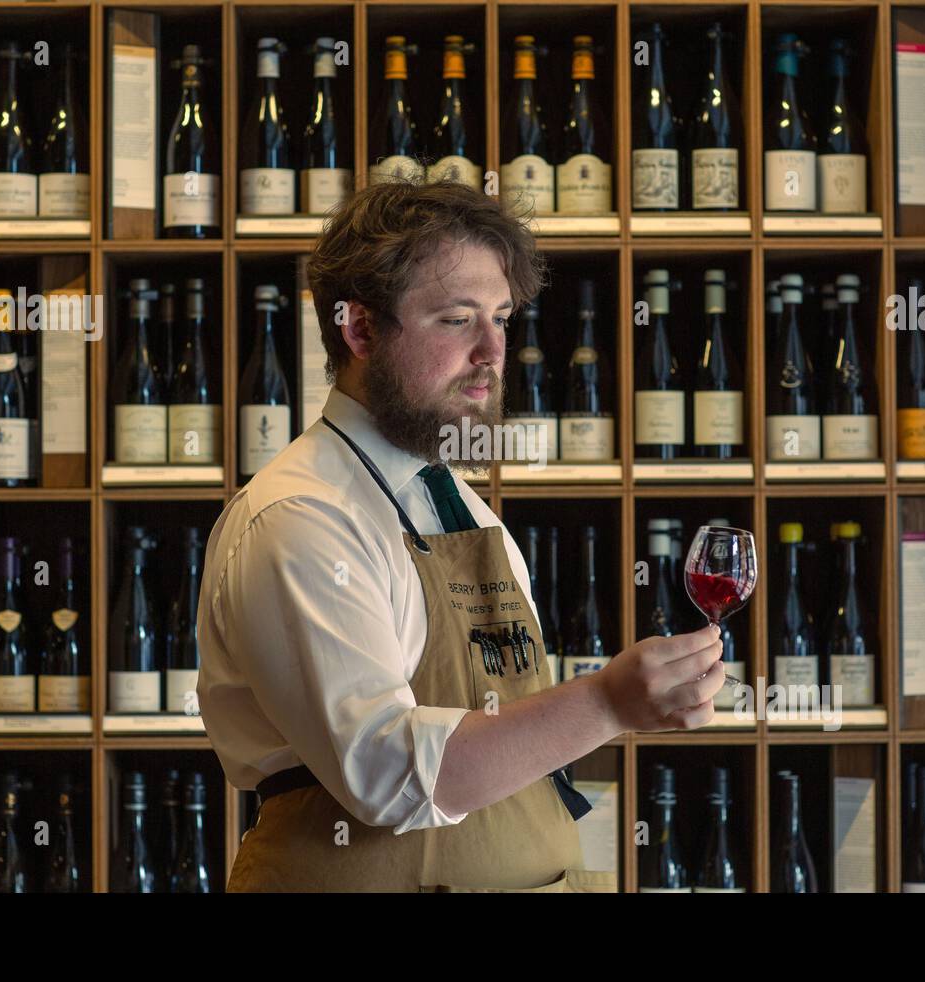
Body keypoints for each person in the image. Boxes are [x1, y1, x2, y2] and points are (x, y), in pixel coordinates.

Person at [197, 180, 725, 892]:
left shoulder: (472, 517)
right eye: (456, 319)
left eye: (503, 318)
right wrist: (605, 704)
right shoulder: (300, 517)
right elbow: (386, 776)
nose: (493, 350)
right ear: (359, 330)